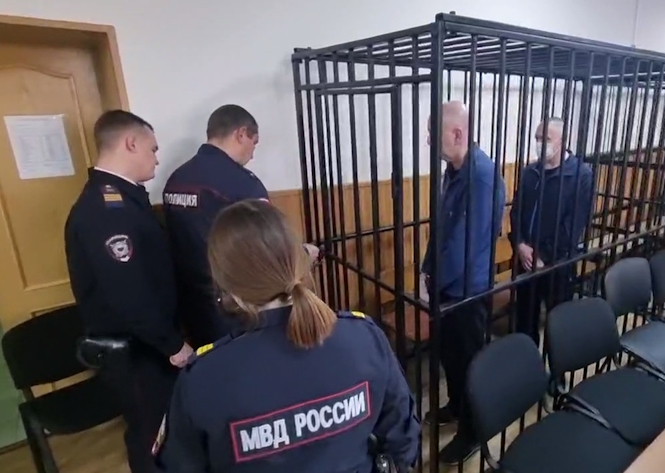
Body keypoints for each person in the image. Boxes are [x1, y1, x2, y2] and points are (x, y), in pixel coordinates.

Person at [153, 199, 421, 473]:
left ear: (227, 288)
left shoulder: (204, 378)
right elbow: (404, 441)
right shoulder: (365, 339)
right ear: (299, 262)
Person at [64, 110, 193, 473]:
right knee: (150, 434)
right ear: (131, 143)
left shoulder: (123, 198)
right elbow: (130, 295)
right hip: (137, 350)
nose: (157, 158)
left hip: (148, 343)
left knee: (163, 427)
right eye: (153, 149)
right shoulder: (106, 210)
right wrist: (172, 345)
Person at [162, 104, 319, 347]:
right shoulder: (241, 184)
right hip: (234, 303)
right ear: (241, 134)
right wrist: (304, 254)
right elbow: (268, 246)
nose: (253, 154)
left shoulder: (176, 180)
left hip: (191, 301)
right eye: (254, 143)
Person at [419, 101, 506, 465]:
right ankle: (456, 407)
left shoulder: (481, 176)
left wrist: (433, 281)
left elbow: (463, 245)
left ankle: (471, 433)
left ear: (456, 134)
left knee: (470, 363)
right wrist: (426, 271)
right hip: (448, 287)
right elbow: (440, 229)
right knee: (450, 356)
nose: (428, 141)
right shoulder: (454, 172)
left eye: (432, 133)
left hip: (468, 291)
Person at [508, 117, 594, 347]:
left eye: (545, 139)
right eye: (537, 138)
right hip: (526, 261)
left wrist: (542, 256)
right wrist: (520, 245)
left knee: (558, 325)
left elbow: (572, 226)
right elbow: (516, 212)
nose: (539, 143)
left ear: (562, 141)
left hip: (558, 262)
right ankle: (527, 363)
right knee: (525, 322)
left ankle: (557, 367)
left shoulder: (580, 175)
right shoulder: (530, 172)